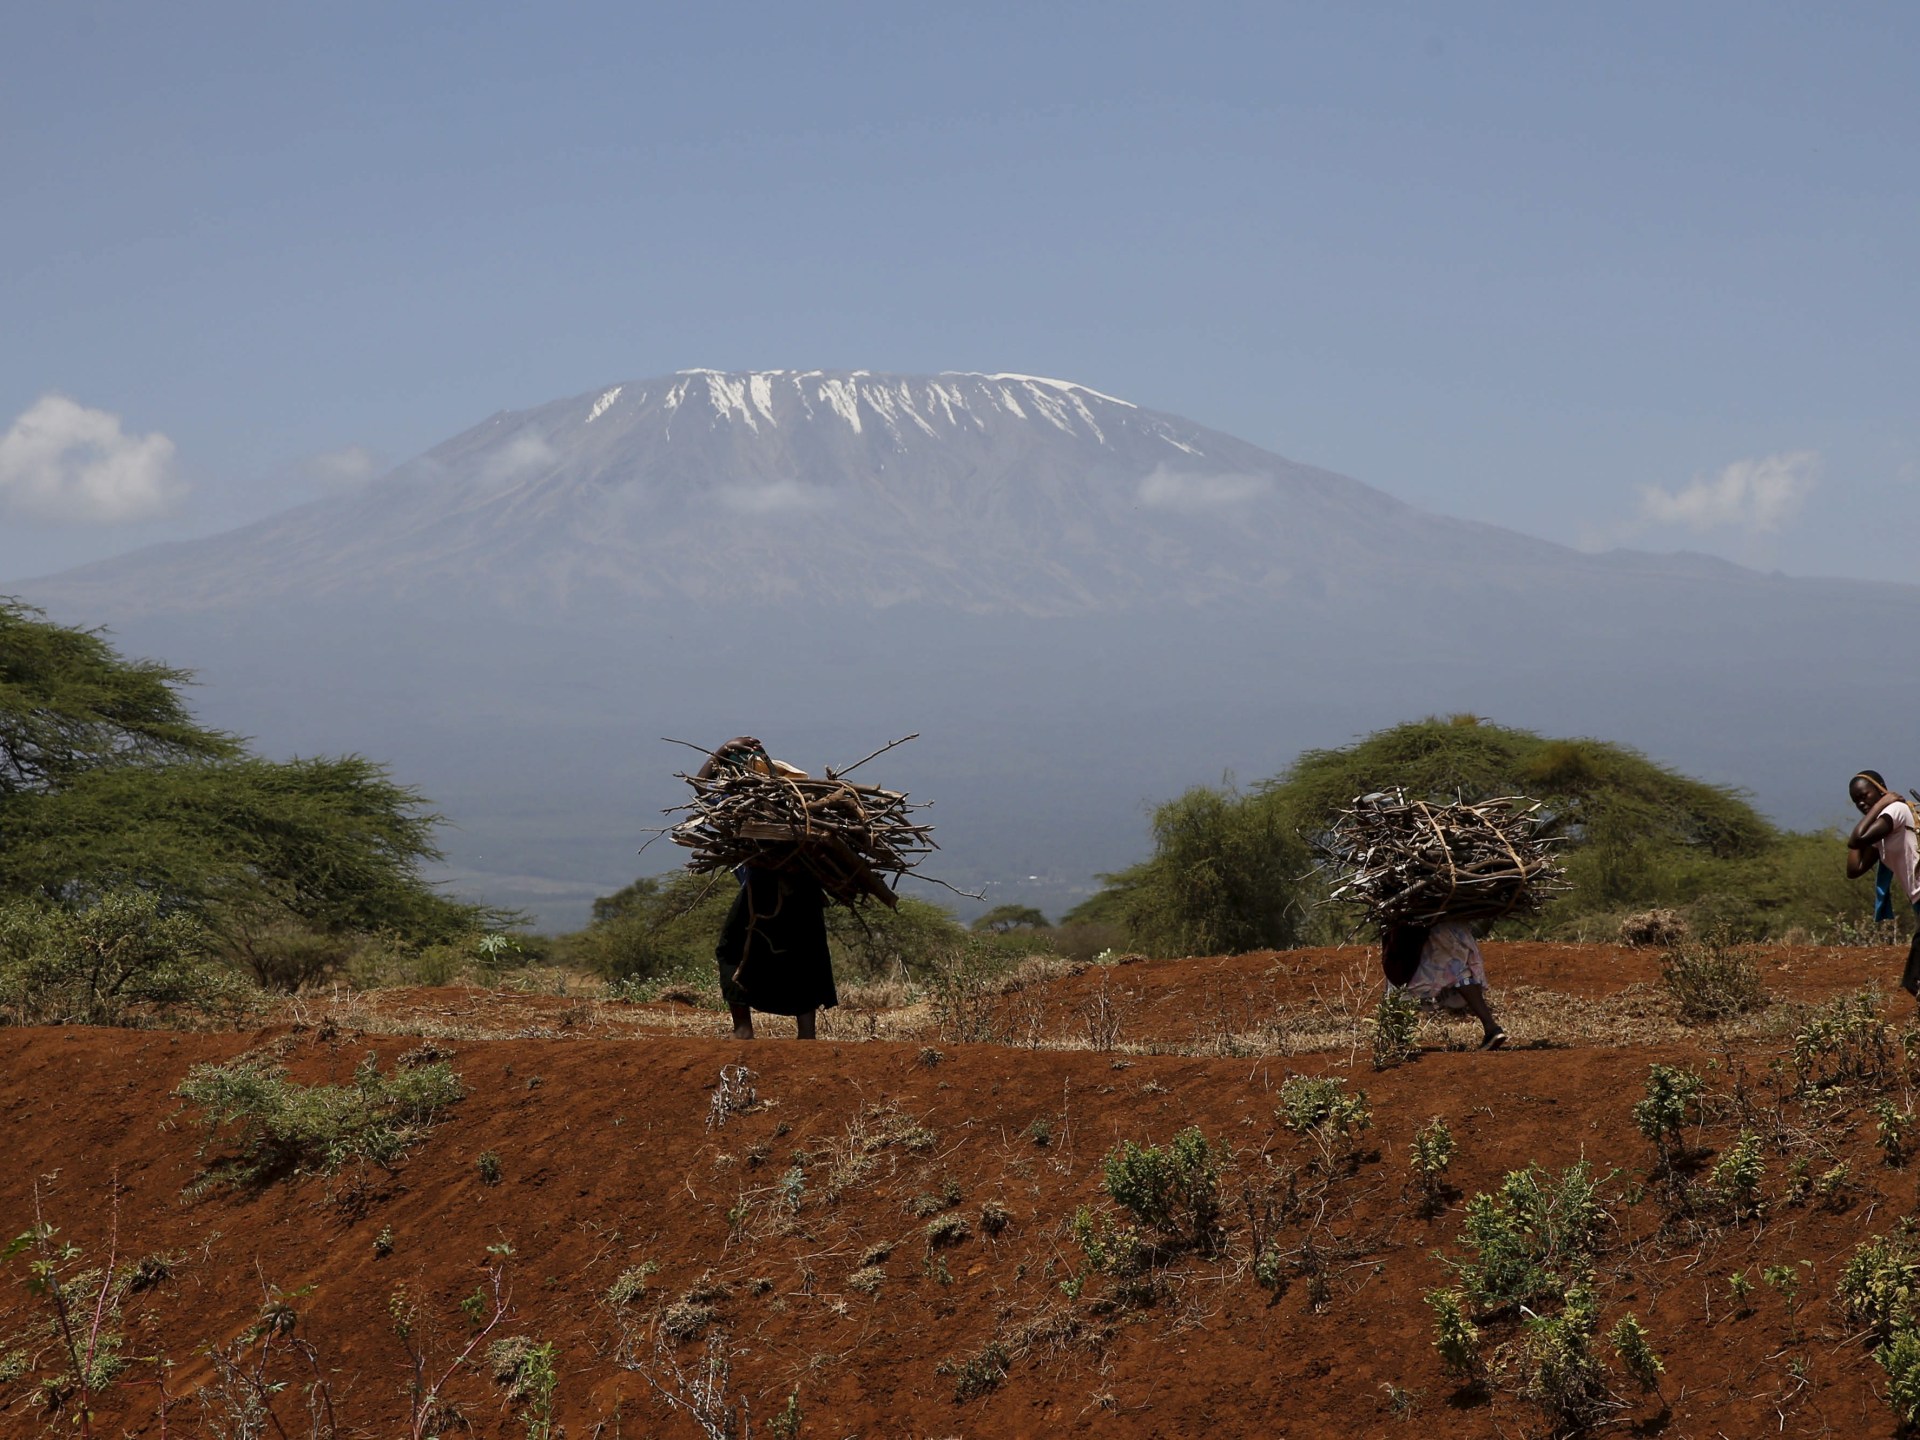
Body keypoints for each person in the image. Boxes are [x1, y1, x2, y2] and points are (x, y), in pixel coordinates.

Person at [700, 737, 838, 1040]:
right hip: (805, 896)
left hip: (759, 891)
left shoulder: (739, 808)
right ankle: (806, 1034)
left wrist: (723, 750)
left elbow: (700, 788)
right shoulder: (808, 812)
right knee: (805, 957)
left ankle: (743, 1029)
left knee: (732, 951)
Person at [1845, 770, 1920, 997]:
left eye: (1864, 795)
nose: (1861, 802)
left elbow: (1856, 838)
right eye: (1855, 800)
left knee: (1915, 976)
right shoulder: (1880, 831)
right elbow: (1854, 869)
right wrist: (1873, 811)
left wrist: (1883, 804)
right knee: (1914, 976)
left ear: (1880, 789)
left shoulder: (1895, 811)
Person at [1382, 917, 1508, 1050]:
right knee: (1459, 972)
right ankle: (1491, 1027)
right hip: (1451, 927)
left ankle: (1396, 1040)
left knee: (1403, 978)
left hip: (1421, 927)